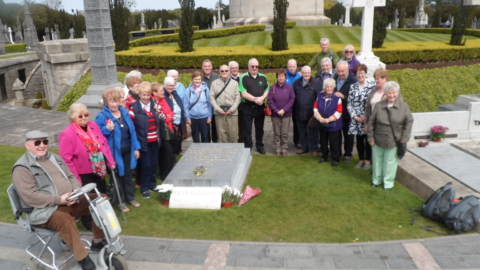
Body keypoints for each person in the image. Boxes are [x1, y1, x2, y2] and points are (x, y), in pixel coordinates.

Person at [12, 130, 106, 270]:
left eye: (45, 141)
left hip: (70, 200)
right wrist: (59, 200)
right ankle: (83, 259)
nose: (42, 145)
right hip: (44, 210)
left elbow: (72, 176)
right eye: (37, 142)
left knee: (100, 200)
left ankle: (98, 241)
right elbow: (30, 197)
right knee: (65, 220)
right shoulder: (22, 168)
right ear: (27, 145)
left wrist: (75, 190)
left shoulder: (55, 158)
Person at [58, 103, 115, 230]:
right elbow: (66, 159)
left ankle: (104, 219)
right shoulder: (67, 134)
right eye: (80, 116)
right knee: (87, 199)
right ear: (73, 117)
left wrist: (110, 161)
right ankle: (89, 222)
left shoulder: (93, 126)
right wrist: (74, 178)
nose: (84, 117)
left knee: (101, 195)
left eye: (86, 115)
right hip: (82, 173)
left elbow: (103, 144)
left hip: (99, 169)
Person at [95, 88, 141, 212]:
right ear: (106, 102)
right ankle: (120, 201)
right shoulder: (102, 116)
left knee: (127, 175)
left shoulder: (124, 112)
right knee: (118, 177)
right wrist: (106, 129)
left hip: (128, 149)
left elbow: (132, 131)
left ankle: (130, 197)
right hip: (114, 153)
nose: (115, 104)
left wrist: (136, 148)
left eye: (116, 101)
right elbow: (96, 135)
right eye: (111, 102)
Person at [367, 81, 413, 190]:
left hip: (394, 140)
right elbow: (371, 122)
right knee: (377, 161)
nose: (392, 95)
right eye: (389, 93)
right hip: (378, 139)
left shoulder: (404, 106)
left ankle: (388, 183)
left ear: (398, 93)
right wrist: (371, 138)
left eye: (394, 93)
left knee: (390, 163)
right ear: (385, 93)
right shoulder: (379, 105)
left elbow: (409, 121)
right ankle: (376, 181)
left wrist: (404, 139)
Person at [129, 82, 162, 199]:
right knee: (145, 165)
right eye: (144, 95)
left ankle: (152, 185)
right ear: (140, 95)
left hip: (155, 141)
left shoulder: (155, 104)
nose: (146, 98)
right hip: (143, 142)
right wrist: (135, 145)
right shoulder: (134, 107)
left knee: (153, 165)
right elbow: (132, 127)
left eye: (148, 95)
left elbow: (162, 119)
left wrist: (158, 110)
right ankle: (144, 187)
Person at [347, 65, 376, 170]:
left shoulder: (372, 85)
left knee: (368, 140)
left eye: (362, 72)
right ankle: (361, 160)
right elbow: (349, 104)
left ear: (366, 73)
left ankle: (368, 161)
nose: (360, 75)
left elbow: (374, 102)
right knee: (359, 141)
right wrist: (355, 116)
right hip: (356, 119)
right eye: (358, 73)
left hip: (368, 118)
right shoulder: (353, 86)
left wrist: (366, 117)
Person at [239, 58, 269, 154]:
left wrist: (262, 98)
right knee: (247, 129)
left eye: (256, 66)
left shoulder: (263, 77)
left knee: (260, 128)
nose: (255, 68)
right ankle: (248, 147)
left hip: (260, 108)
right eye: (253, 66)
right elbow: (243, 93)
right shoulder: (243, 77)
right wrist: (256, 99)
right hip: (247, 107)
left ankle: (259, 146)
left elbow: (267, 90)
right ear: (248, 67)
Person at [293, 66, 322, 156]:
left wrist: (317, 112)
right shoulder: (296, 83)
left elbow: (319, 98)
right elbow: (293, 97)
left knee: (313, 131)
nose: (306, 74)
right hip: (299, 112)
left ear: (311, 73)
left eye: (308, 72)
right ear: (301, 73)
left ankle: (314, 149)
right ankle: (304, 147)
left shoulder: (316, 83)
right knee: (302, 131)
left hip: (311, 113)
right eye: (305, 72)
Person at [314, 78, 343, 167]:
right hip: (322, 123)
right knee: (323, 141)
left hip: (334, 124)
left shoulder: (337, 98)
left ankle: (335, 159)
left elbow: (339, 112)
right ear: (324, 87)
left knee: (334, 143)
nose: (329, 88)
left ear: (333, 87)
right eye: (327, 86)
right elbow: (315, 108)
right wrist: (319, 118)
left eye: (331, 86)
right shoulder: (319, 96)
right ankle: (324, 156)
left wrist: (328, 120)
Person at [333, 61, 358, 162]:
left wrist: (343, 96)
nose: (340, 73)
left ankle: (348, 154)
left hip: (348, 112)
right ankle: (337, 152)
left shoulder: (353, 80)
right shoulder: (334, 78)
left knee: (348, 135)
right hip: (337, 112)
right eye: (338, 71)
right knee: (336, 134)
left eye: (342, 71)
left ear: (347, 69)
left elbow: (355, 98)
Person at [209, 64, 241, 143]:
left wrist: (232, 109)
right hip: (219, 113)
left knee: (233, 134)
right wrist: (218, 109)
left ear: (229, 71)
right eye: (222, 71)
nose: (224, 72)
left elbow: (238, 98)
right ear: (219, 72)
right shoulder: (214, 83)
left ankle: (233, 153)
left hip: (232, 113)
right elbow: (211, 97)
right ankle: (223, 153)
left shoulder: (235, 83)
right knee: (221, 134)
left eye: (226, 70)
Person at [152, 82, 176, 181]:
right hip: (160, 131)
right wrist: (167, 117)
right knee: (167, 151)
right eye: (161, 90)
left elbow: (171, 114)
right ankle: (164, 174)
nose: (163, 92)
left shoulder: (163, 100)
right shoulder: (153, 103)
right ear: (154, 92)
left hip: (168, 130)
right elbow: (163, 117)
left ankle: (168, 172)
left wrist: (168, 117)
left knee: (168, 152)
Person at [268, 71, 295, 156]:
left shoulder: (289, 87)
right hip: (276, 114)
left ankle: (284, 149)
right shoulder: (272, 87)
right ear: (277, 77)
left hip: (286, 114)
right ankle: (277, 148)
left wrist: (284, 109)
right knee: (277, 132)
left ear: (285, 77)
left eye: (282, 76)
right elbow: (270, 100)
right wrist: (276, 110)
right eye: (279, 76)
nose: (281, 78)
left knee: (284, 133)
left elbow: (292, 99)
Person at [184, 71, 212, 143]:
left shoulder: (206, 90)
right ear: (192, 79)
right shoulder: (188, 91)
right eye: (195, 79)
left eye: (199, 79)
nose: (197, 81)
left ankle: (205, 151)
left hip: (204, 117)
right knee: (195, 136)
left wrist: (209, 117)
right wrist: (187, 118)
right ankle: (196, 152)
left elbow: (209, 104)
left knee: (205, 136)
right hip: (193, 118)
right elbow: (186, 105)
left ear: (201, 80)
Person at [164, 77, 186, 155]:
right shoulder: (164, 96)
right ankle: (171, 156)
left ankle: (178, 150)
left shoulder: (175, 94)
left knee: (178, 137)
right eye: (169, 85)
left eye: (172, 85)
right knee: (171, 140)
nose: (171, 87)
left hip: (178, 120)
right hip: (170, 122)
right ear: (164, 85)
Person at [285, 59, 302, 150]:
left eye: (293, 66)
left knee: (297, 123)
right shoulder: (283, 76)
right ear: (287, 66)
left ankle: (297, 141)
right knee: (284, 124)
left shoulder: (300, 76)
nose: (292, 68)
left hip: (296, 104)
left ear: (296, 66)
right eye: (290, 66)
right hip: (286, 104)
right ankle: (284, 142)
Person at [202, 59, 220, 142]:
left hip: (215, 106)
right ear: (202, 68)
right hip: (204, 107)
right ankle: (207, 144)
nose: (207, 68)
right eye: (205, 66)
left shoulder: (217, 77)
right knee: (205, 129)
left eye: (209, 66)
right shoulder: (200, 77)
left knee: (215, 128)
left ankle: (215, 143)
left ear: (212, 67)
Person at [229, 60, 243, 143]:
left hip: (242, 105)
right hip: (231, 105)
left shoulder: (243, 77)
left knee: (242, 125)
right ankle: (232, 141)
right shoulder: (226, 78)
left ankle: (242, 140)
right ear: (230, 69)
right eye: (232, 68)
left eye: (236, 68)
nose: (234, 69)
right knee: (232, 125)